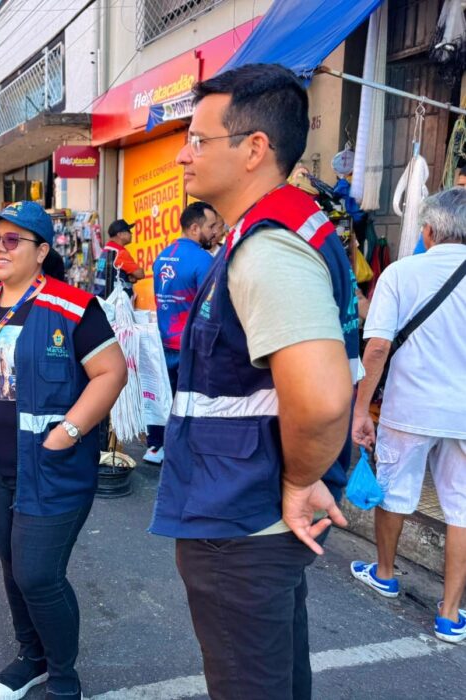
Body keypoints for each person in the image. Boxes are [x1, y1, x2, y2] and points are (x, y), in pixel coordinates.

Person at [149, 63, 359, 699]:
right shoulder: (280, 229)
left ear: (254, 150)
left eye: (198, 139)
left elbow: (323, 401)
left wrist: (300, 480)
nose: (183, 155)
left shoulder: (267, 246)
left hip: (239, 524)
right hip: (246, 514)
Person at [0, 201, 126, 700]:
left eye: (11, 240)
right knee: (12, 566)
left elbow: (112, 372)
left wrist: (69, 430)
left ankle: (65, 678)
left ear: (41, 251)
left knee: (38, 573)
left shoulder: (72, 307)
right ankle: (33, 656)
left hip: (50, 466)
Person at [351, 188, 466, 644]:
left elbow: (376, 346)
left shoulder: (401, 273)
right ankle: (451, 614)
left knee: (396, 492)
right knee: (461, 509)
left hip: (409, 409)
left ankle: (384, 572)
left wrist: (362, 409)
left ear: (429, 230)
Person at [143, 202, 219, 464]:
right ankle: (182, 451)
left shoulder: (163, 255)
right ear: (195, 227)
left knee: (163, 395)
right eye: (211, 227)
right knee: (188, 400)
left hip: (163, 339)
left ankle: (155, 447)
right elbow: (211, 307)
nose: (215, 233)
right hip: (190, 344)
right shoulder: (204, 260)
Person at [92, 219, 144, 296]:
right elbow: (140, 274)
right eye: (128, 231)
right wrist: (132, 276)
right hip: (116, 303)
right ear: (120, 234)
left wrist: (128, 276)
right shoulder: (120, 253)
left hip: (101, 299)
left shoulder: (105, 251)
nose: (131, 234)